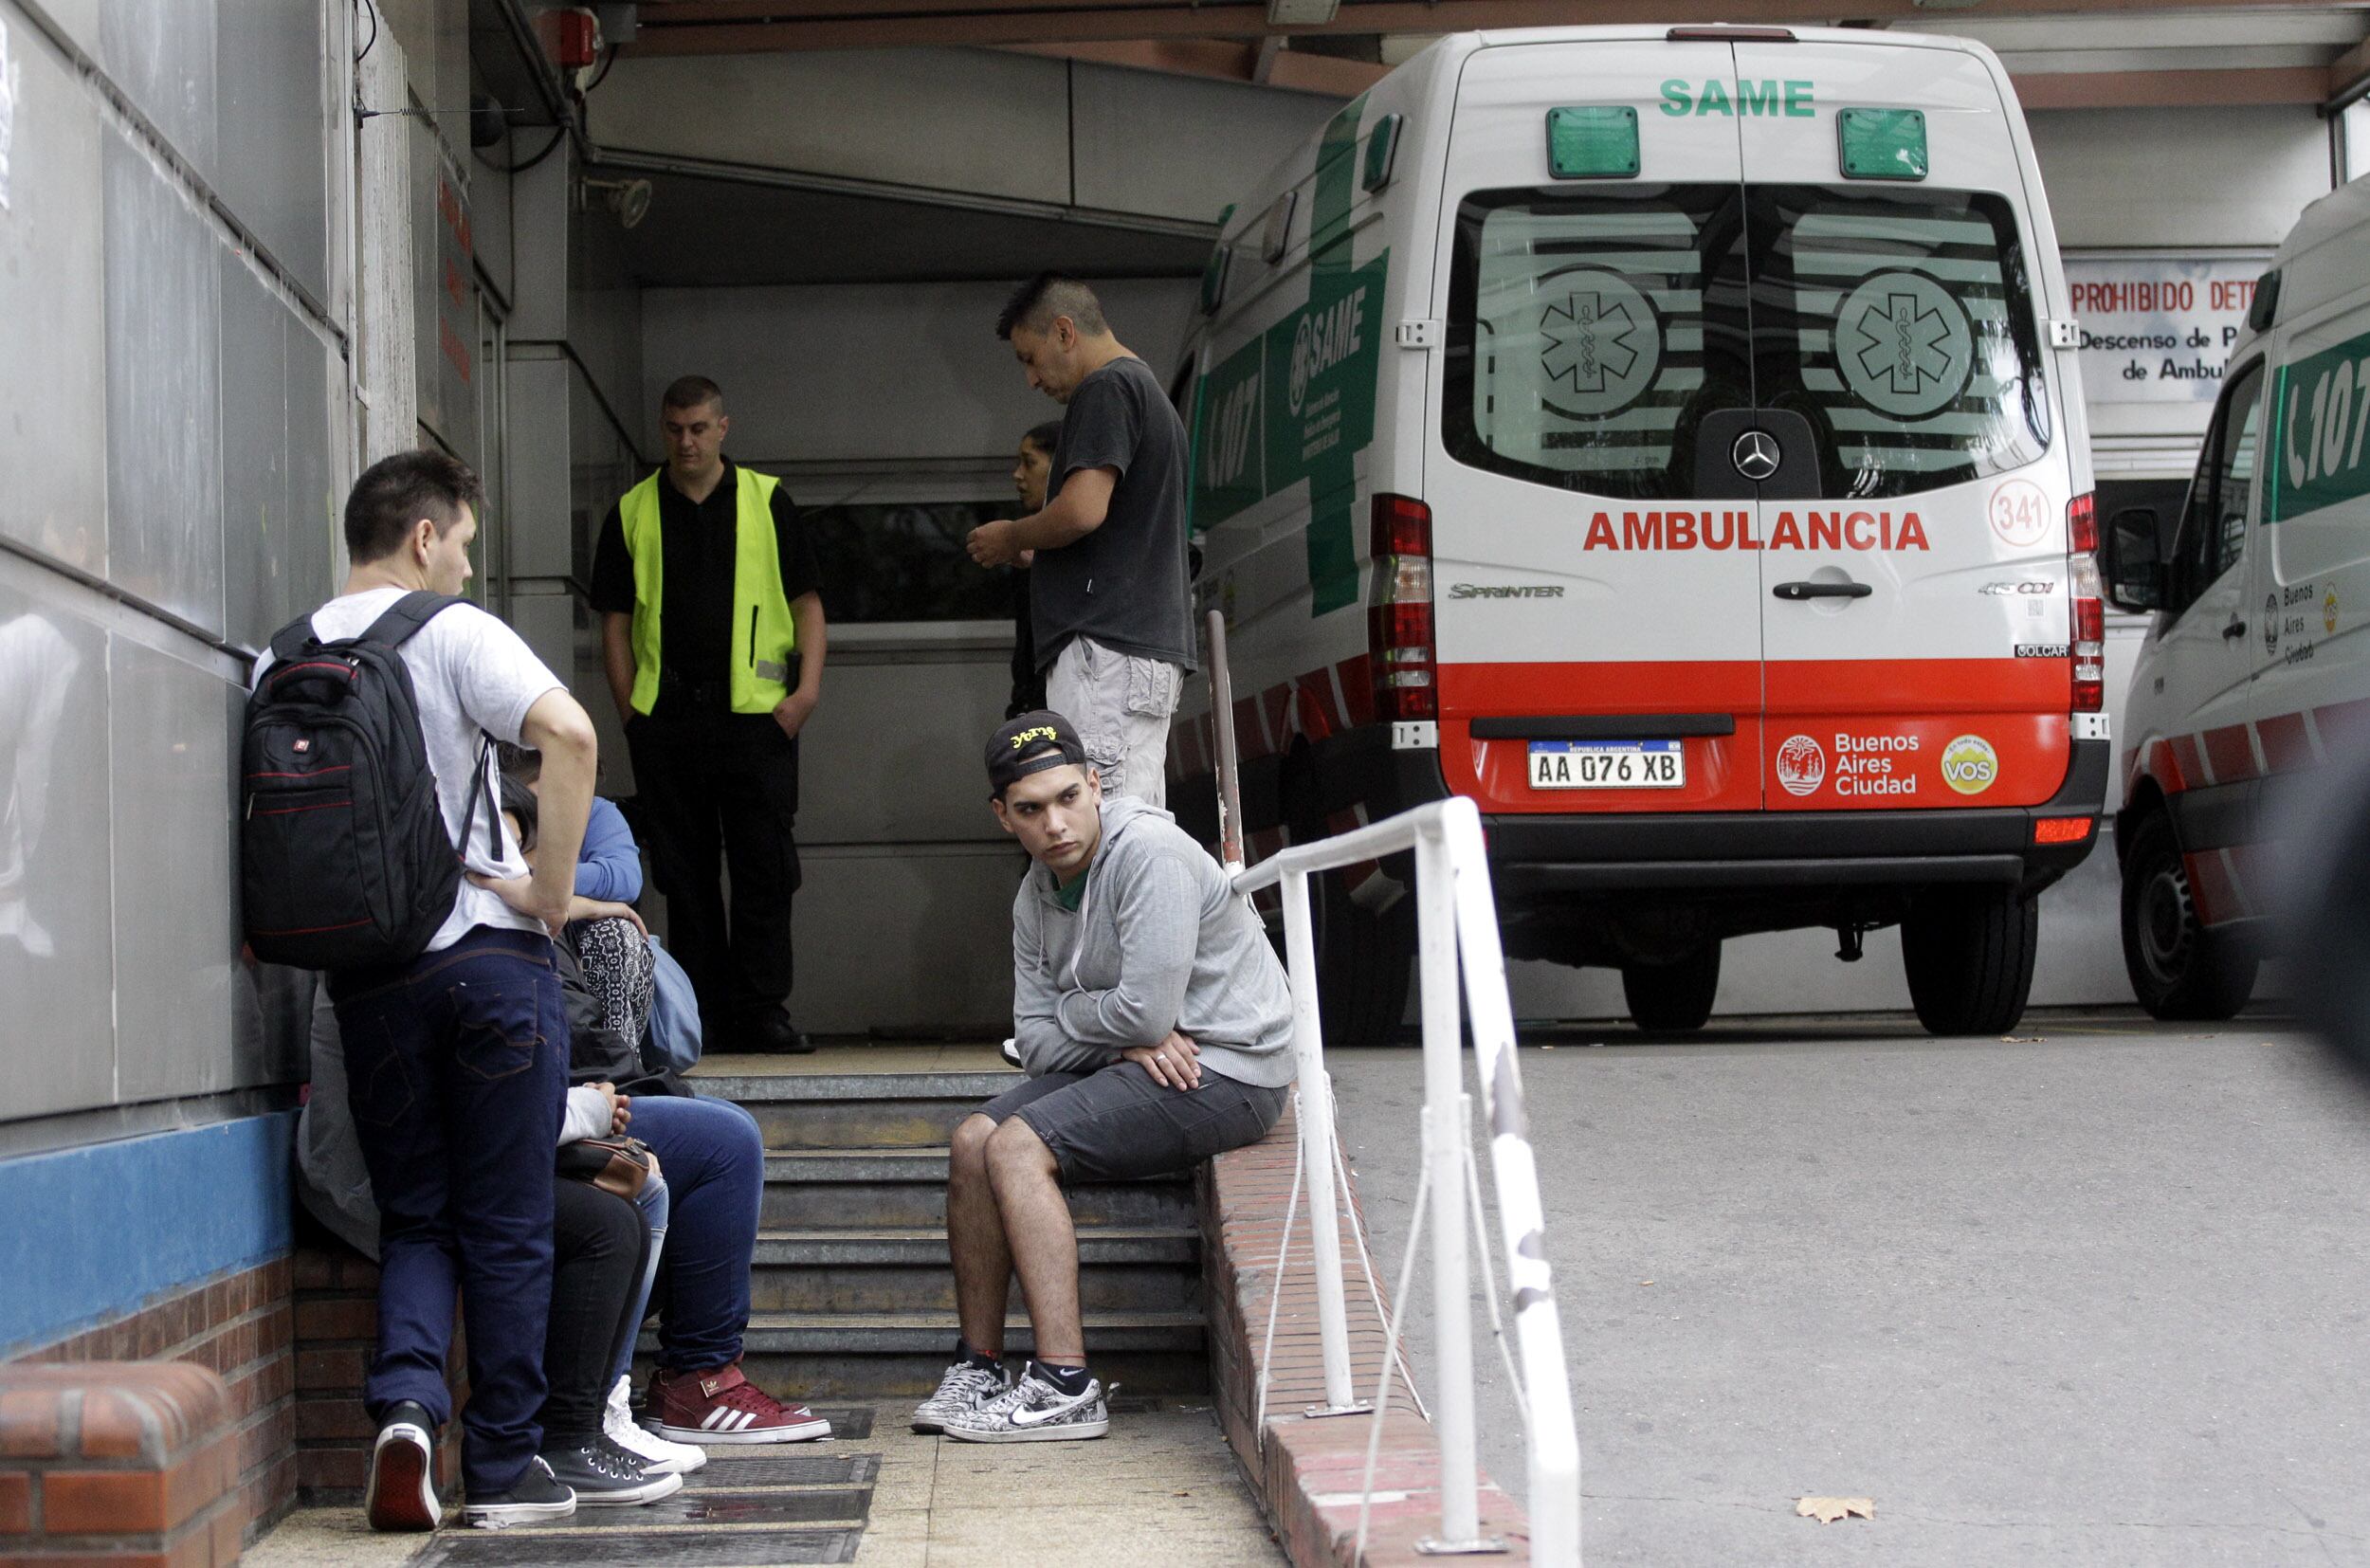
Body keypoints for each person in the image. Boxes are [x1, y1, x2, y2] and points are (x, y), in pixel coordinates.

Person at [264, 450, 598, 1530]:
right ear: (422, 536)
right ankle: (501, 1466)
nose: (463, 567)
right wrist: (549, 892)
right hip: (489, 965)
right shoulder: (453, 632)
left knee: (417, 1219)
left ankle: (406, 1412)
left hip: (368, 981)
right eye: (460, 545)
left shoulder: (286, 653)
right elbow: (571, 733)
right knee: (506, 1222)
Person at [916, 711, 1295, 1442]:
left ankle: (1065, 1383)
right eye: (1031, 809)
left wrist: (1089, 1018)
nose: (1055, 824)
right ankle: (979, 1367)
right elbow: (1036, 1042)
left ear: (1095, 785)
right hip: (1147, 1063)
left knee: (1016, 1146)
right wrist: (1121, 1041)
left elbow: (1146, 1012)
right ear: (1003, 816)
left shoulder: (1148, 853)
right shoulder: (1034, 894)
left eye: (1067, 797)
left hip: (1231, 1069)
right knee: (972, 1140)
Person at [500, 777, 834, 1448]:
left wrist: (571, 899)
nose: (518, 862)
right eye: (501, 847)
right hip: (529, 1121)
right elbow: (556, 1043)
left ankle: (664, 1387)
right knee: (723, 1141)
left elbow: (619, 882)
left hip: (567, 1103)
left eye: (522, 845)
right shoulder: (475, 922)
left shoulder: (523, 903)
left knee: (697, 1141)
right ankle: (697, 1379)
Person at [590, 374, 827, 1054]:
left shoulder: (767, 500)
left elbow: (808, 604)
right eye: (674, 429)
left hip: (757, 721)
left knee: (764, 869)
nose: (686, 442)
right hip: (668, 722)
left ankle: (762, 1013)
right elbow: (614, 622)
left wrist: (804, 695)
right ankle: (703, 1017)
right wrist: (631, 714)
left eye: (698, 428)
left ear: (723, 428)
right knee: (683, 875)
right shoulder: (633, 511)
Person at [966, 276, 1193, 806]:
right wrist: (1043, 553)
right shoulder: (1144, 389)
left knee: (1099, 819)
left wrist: (1012, 536)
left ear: (1065, 332)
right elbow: (1121, 528)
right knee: (1129, 817)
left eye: (1030, 358)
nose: (1031, 380)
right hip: (1133, 645)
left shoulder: (1105, 388)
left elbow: (1083, 510)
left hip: (1105, 650)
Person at [1004, 420, 1062, 719]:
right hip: (1035, 704)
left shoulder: (1097, 538)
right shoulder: (1028, 541)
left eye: (1030, 463)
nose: (1018, 474)